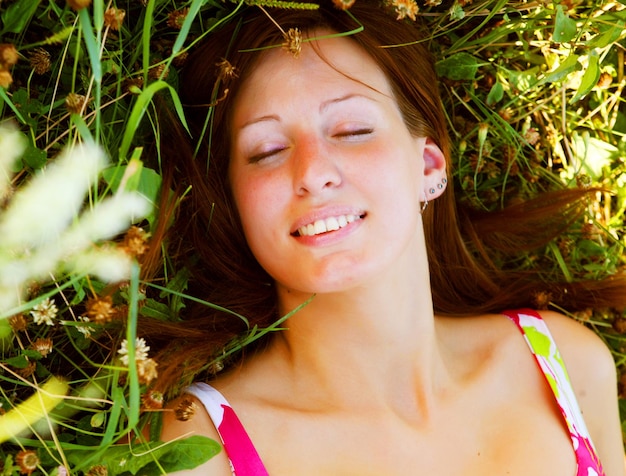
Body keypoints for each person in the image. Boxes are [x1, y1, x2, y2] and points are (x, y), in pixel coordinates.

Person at [145, 1, 626, 474]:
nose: (312, 172)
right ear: (235, 202)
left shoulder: (566, 366)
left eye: (352, 130)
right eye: (266, 151)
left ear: (428, 166)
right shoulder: (199, 448)